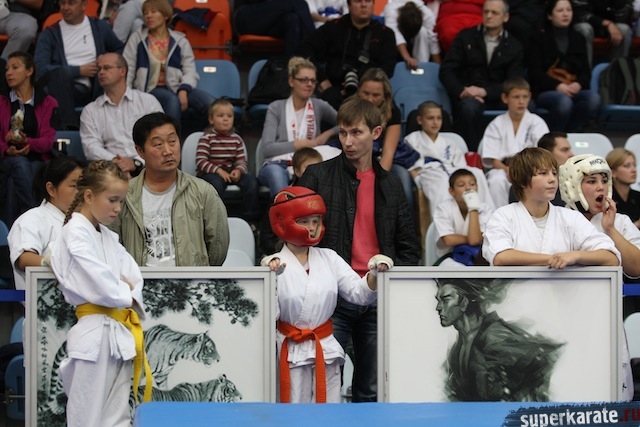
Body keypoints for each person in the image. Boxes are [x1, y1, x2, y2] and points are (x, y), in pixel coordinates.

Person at [298, 97, 420, 402]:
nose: (348, 141)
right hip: (332, 296)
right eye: (343, 133)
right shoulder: (316, 175)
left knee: (372, 390)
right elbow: (291, 233)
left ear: (376, 133)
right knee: (323, 388)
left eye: (356, 133)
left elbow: (408, 247)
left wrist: (394, 291)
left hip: (377, 295)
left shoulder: (391, 184)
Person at [261, 186, 392, 403]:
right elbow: (268, 316)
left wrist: (375, 273)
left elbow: (359, 293)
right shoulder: (273, 265)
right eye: (304, 221)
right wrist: (271, 280)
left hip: (325, 346)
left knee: (329, 408)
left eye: (316, 221)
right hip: (290, 349)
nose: (312, 228)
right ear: (283, 223)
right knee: (294, 410)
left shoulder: (329, 258)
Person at [49, 160, 151, 427]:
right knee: (87, 417)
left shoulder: (108, 237)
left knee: (118, 417)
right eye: (112, 200)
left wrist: (124, 289)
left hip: (119, 333)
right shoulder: (74, 233)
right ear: (89, 196)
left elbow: (134, 276)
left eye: (121, 201)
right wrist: (123, 289)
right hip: (93, 335)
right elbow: (100, 282)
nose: (118, 208)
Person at [110, 112, 230, 266]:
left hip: (190, 281)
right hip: (139, 280)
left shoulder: (203, 191)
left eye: (172, 141)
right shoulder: (123, 195)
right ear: (140, 151)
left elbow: (218, 248)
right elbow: (112, 245)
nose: (168, 151)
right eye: (158, 144)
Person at [482, 147, 621, 268]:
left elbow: (611, 258)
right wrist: (555, 259)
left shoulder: (571, 217)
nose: (552, 179)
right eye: (543, 173)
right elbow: (500, 257)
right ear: (522, 181)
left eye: (554, 173)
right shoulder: (503, 216)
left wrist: (575, 256)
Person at [435, 277, 563, 401]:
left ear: (463, 302)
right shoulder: (458, 347)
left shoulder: (496, 337)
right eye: (438, 300)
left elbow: (539, 363)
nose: (438, 307)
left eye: (445, 300)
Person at [439, 0, 524, 152]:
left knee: (525, 104)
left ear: (505, 17)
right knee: (469, 108)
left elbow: (513, 81)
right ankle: (470, 154)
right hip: (468, 96)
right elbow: (446, 71)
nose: (489, 16)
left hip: (500, 97)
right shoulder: (465, 37)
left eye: (494, 12)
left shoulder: (514, 45)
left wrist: (485, 92)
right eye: (486, 12)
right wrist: (462, 91)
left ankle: (517, 153)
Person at [34, 0, 124, 130]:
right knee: (59, 75)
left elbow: (119, 49)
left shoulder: (99, 27)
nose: (65, 7)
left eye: (71, 3)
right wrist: (77, 71)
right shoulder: (50, 33)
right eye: (62, 3)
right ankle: (69, 128)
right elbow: (40, 69)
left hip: (92, 87)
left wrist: (105, 58)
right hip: (58, 86)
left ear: (84, 5)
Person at [123, 0, 214, 123]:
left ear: (165, 15)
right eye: (145, 13)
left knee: (212, 104)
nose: (148, 16)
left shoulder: (180, 40)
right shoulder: (137, 39)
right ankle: (172, 135)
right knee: (172, 100)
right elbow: (128, 68)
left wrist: (183, 89)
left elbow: (190, 70)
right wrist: (126, 95)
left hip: (177, 87)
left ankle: (208, 134)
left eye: (153, 12)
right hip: (150, 89)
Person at [259, 56, 338, 197]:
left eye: (313, 81)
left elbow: (347, 123)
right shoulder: (276, 107)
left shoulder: (319, 105)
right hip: (278, 163)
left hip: (309, 162)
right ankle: (285, 210)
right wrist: (299, 144)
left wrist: (327, 134)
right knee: (276, 175)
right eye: (304, 80)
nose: (309, 84)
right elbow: (267, 149)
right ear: (291, 81)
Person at [296, 0, 397, 110]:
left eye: (368, 1)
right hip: (335, 89)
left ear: (373, 4)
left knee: (391, 109)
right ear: (349, 5)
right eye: (358, 1)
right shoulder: (334, 27)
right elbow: (304, 49)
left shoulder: (385, 33)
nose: (363, 5)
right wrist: (321, 78)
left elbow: (388, 67)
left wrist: (365, 86)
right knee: (325, 103)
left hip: (370, 91)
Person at [80, 52, 163, 178]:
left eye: (106, 68)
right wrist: (116, 162)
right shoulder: (90, 110)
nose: (101, 72)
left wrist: (136, 163)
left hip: (148, 167)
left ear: (122, 71)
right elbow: (91, 147)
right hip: (109, 173)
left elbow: (159, 138)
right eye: (99, 69)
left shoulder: (147, 101)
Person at [8, 156, 84, 294]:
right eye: (74, 186)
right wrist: (51, 262)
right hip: (46, 304)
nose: (81, 192)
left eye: (83, 185)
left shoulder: (86, 222)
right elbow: (24, 259)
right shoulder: (32, 219)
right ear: (51, 189)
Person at [559, 154, 640, 281]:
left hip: (610, 293)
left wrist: (611, 229)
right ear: (572, 188)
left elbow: (637, 268)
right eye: (591, 181)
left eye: (604, 181)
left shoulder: (620, 221)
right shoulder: (556, 219)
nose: (601, 187)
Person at [406, 100, 495, 214]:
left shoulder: (450, 142)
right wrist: (417, 180)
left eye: (439, 118)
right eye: (430, 118)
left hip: (452, 171)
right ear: (420, 120)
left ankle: (487, 215)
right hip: (430, 174)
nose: (435, 122)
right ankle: (444, 219)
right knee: (441, 179)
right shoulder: (412, 139)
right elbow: (410, 164)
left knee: (477, 173)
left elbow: (461, 165)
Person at [1, 51, 59, 226]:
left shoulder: (48, 102)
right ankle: (34, 217)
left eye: (15, 67)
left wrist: (27, 142)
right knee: (20, 164)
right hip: (6, 159)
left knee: (18, 179)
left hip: (37, 159)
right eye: (7, 69)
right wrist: (7, 148)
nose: (9, 73)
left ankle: (12, 229)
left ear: (29, 71)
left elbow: (47, 141)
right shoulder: (1, 102)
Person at [527, 0, 600, 133]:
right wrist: (557, 86)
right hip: (546, 90)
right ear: (550, 15)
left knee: (593, 99)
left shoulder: (578, 38)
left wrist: (578, 84)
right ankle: (554, 135)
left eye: (568, 10)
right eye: (560, 10)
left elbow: (586, 72)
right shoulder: (538, 38)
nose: (565, 14)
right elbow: (535, 72)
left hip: (572, 88)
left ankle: (571, 133)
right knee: (563, 102)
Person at [479, 77, 549, 208]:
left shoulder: (537, 123)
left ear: (530, 97)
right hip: (503, 168)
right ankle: (498, 217)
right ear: (505, 98)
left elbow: (542, 155)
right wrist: (508, 170)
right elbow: (493, 160)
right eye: (516, 97)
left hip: (530, 168)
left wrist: (522, 171)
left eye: (524, 97)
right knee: (496, 180)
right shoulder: (496, 124)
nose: (521, 101)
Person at [356, 67, 416, 211]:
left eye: (376, 95)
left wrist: (376, 181)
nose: (369, 99)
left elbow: (388, 153)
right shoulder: (349, 108)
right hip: (354, 157)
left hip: (382, 158)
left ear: (385, 96)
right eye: (366, 93)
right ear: (359, 91)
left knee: (402, 180)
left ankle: (406, 225)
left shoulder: (392, 113)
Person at [196, 99, 260, 224]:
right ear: (211, 119)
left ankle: (251, 220)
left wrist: (238, 170)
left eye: (229, 116)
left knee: (251, 181)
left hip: (230, 173)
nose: (225, 119)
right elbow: (201, 162)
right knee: (216, 184)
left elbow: (242, 161)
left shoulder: (237, 139)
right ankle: (215, 219)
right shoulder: (207, 138)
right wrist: (219, 171)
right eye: (221, 116)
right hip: (211, 174)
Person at [432, 169, 493, 266]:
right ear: (451, 191)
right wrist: (472, 238)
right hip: (450, 258)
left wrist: (473, 208)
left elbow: (475, 241)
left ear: (477, 188)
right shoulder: (443, 208)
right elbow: (448, 240)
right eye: (461, 185)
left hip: (477, 257)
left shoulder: (485, 209)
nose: (468, 188)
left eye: (472, 184)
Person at [509, 131, 574, 205]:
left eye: (554, 173)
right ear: (547, 152)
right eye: (564, 150)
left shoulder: (573, 184)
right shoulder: (520, 189)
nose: (571, 154)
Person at [234, 0, 316, 57]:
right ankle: (314, 50)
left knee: (292, 19)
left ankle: (291, 67)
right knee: (300, 3)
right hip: (246, 16)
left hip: (269, 21)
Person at [573, 0, 633, 67]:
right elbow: (580, 14)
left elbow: (623, 18)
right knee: (585, 29)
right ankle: (585, 72)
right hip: (585, 23)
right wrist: (605, 23)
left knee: (624, 29)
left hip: (611, 25)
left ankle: (617, 71)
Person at [383, 0, 441, 69]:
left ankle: (421, 65)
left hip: (416, 37)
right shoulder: (391, 10)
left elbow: (433, 40)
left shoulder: (428, 15)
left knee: (423, 31)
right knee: (388, 35)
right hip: (395, 44)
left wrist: (439, 69)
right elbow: (396, 35)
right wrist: (408, 58)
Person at [607, 147, 640, 229]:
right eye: (627, 166)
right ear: (613, 172)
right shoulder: (606, 199)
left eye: (634, 165)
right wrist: (637, 225)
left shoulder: (638, 196)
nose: (634, 170)